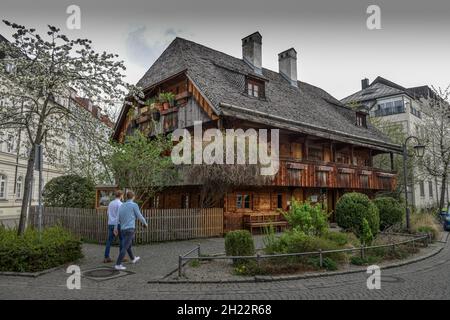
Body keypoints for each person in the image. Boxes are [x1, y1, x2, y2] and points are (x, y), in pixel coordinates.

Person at [114, 191, 148, 270]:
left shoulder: (121, 206)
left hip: (122, 229)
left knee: (128, 245)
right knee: (125, 247)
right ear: (133, 197)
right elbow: (139, 216)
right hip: (130, 229)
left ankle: (133, 259)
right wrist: (145, 223)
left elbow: (117, 218)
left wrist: (115, 228)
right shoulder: (134, 205)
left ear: (126, 197)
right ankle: (118, 264)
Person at [104, 190, 127, 263]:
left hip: (110, 223)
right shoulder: (120, 204)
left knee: (109, 241)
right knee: (122, 239)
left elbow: (108, 213)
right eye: (122, 195)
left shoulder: (111, 203)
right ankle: (121, 257)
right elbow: (121, 215)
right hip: (118, 224)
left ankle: (106, 257)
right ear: (121, 195)